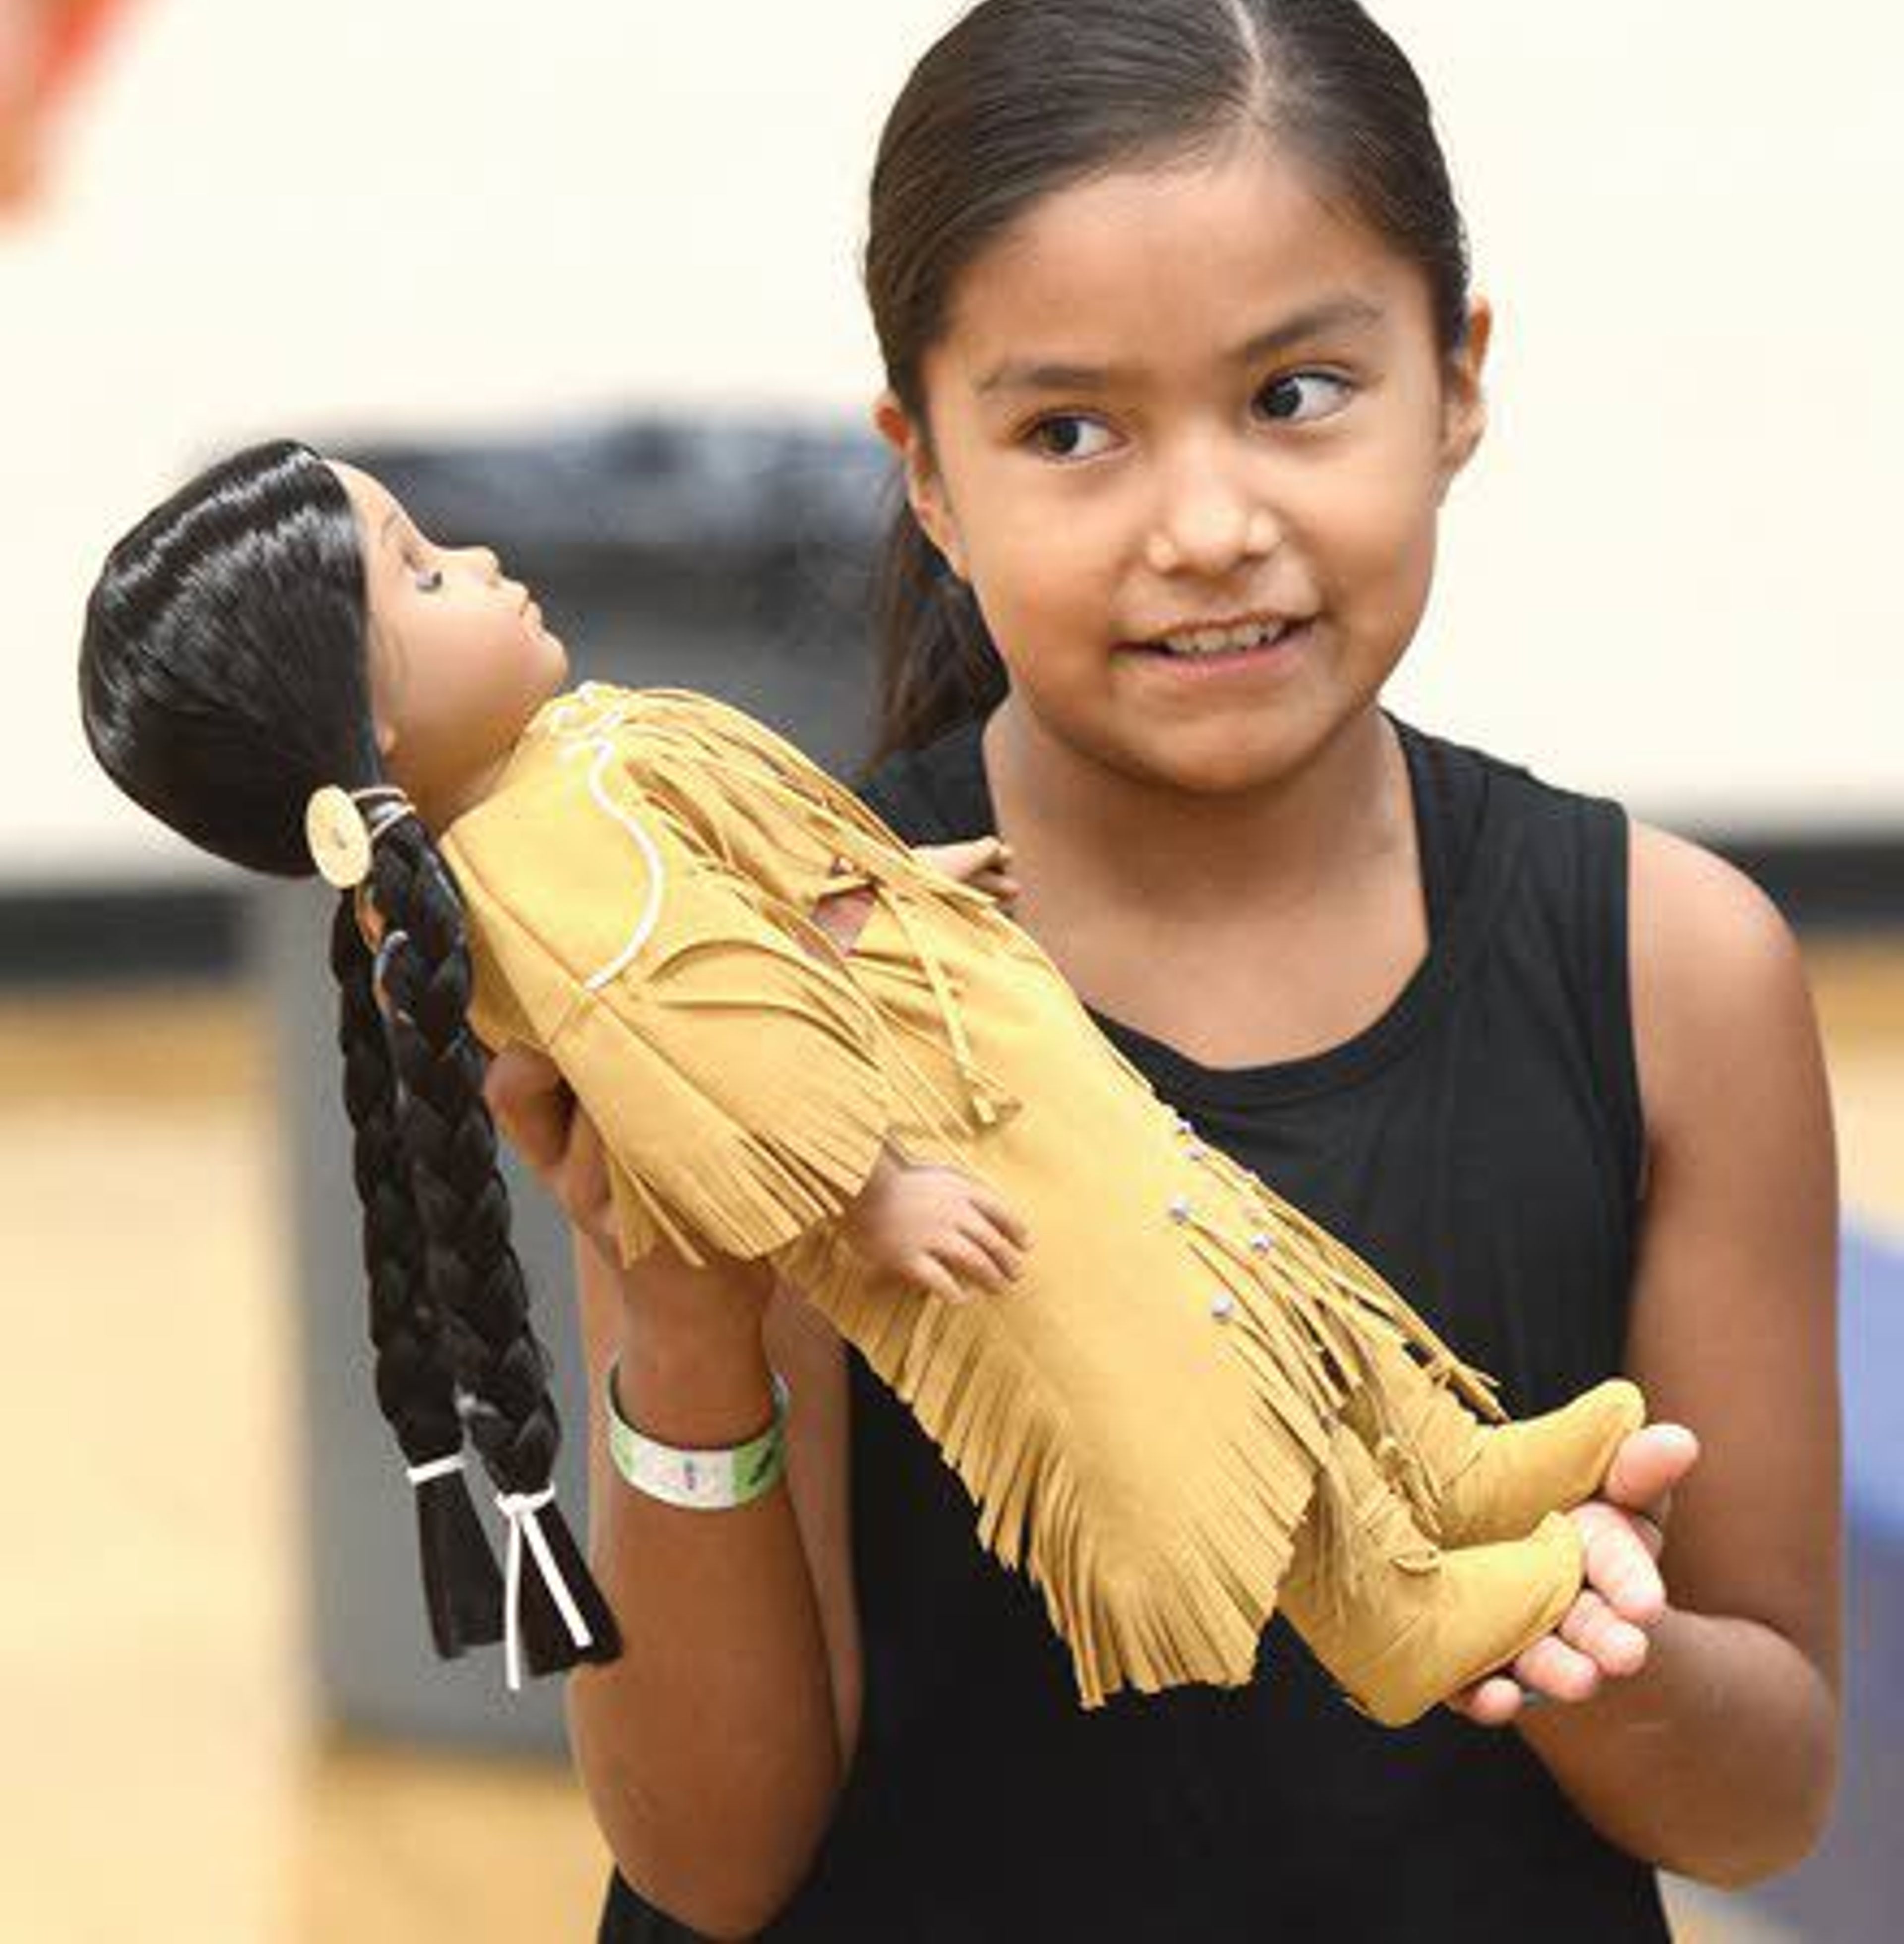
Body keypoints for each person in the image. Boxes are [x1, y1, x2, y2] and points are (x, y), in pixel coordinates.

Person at [481, 0, 1842, 1940]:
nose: (1205, 519)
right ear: (927, 475)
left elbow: (1772, 1792)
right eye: (1072, 434)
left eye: (1296, 393)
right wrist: (686, 1333)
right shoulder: (792, 964)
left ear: (1457, 379)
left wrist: (1577, 1633)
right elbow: (713, 1855)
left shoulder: (1674, 968)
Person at [80, 435, 1643, 1727]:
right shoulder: (543, 869)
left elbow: (760, 906)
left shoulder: (570, 773)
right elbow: (707, 1049)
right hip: (945, 1145)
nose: (481, 565)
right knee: (1164, 1355)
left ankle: (1439, 1462)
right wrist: (872, 1192)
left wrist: (903, 886)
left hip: (975, 1067)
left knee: (1225, 1249)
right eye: (423, 576)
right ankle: (1387, 1601)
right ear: (374, 724)